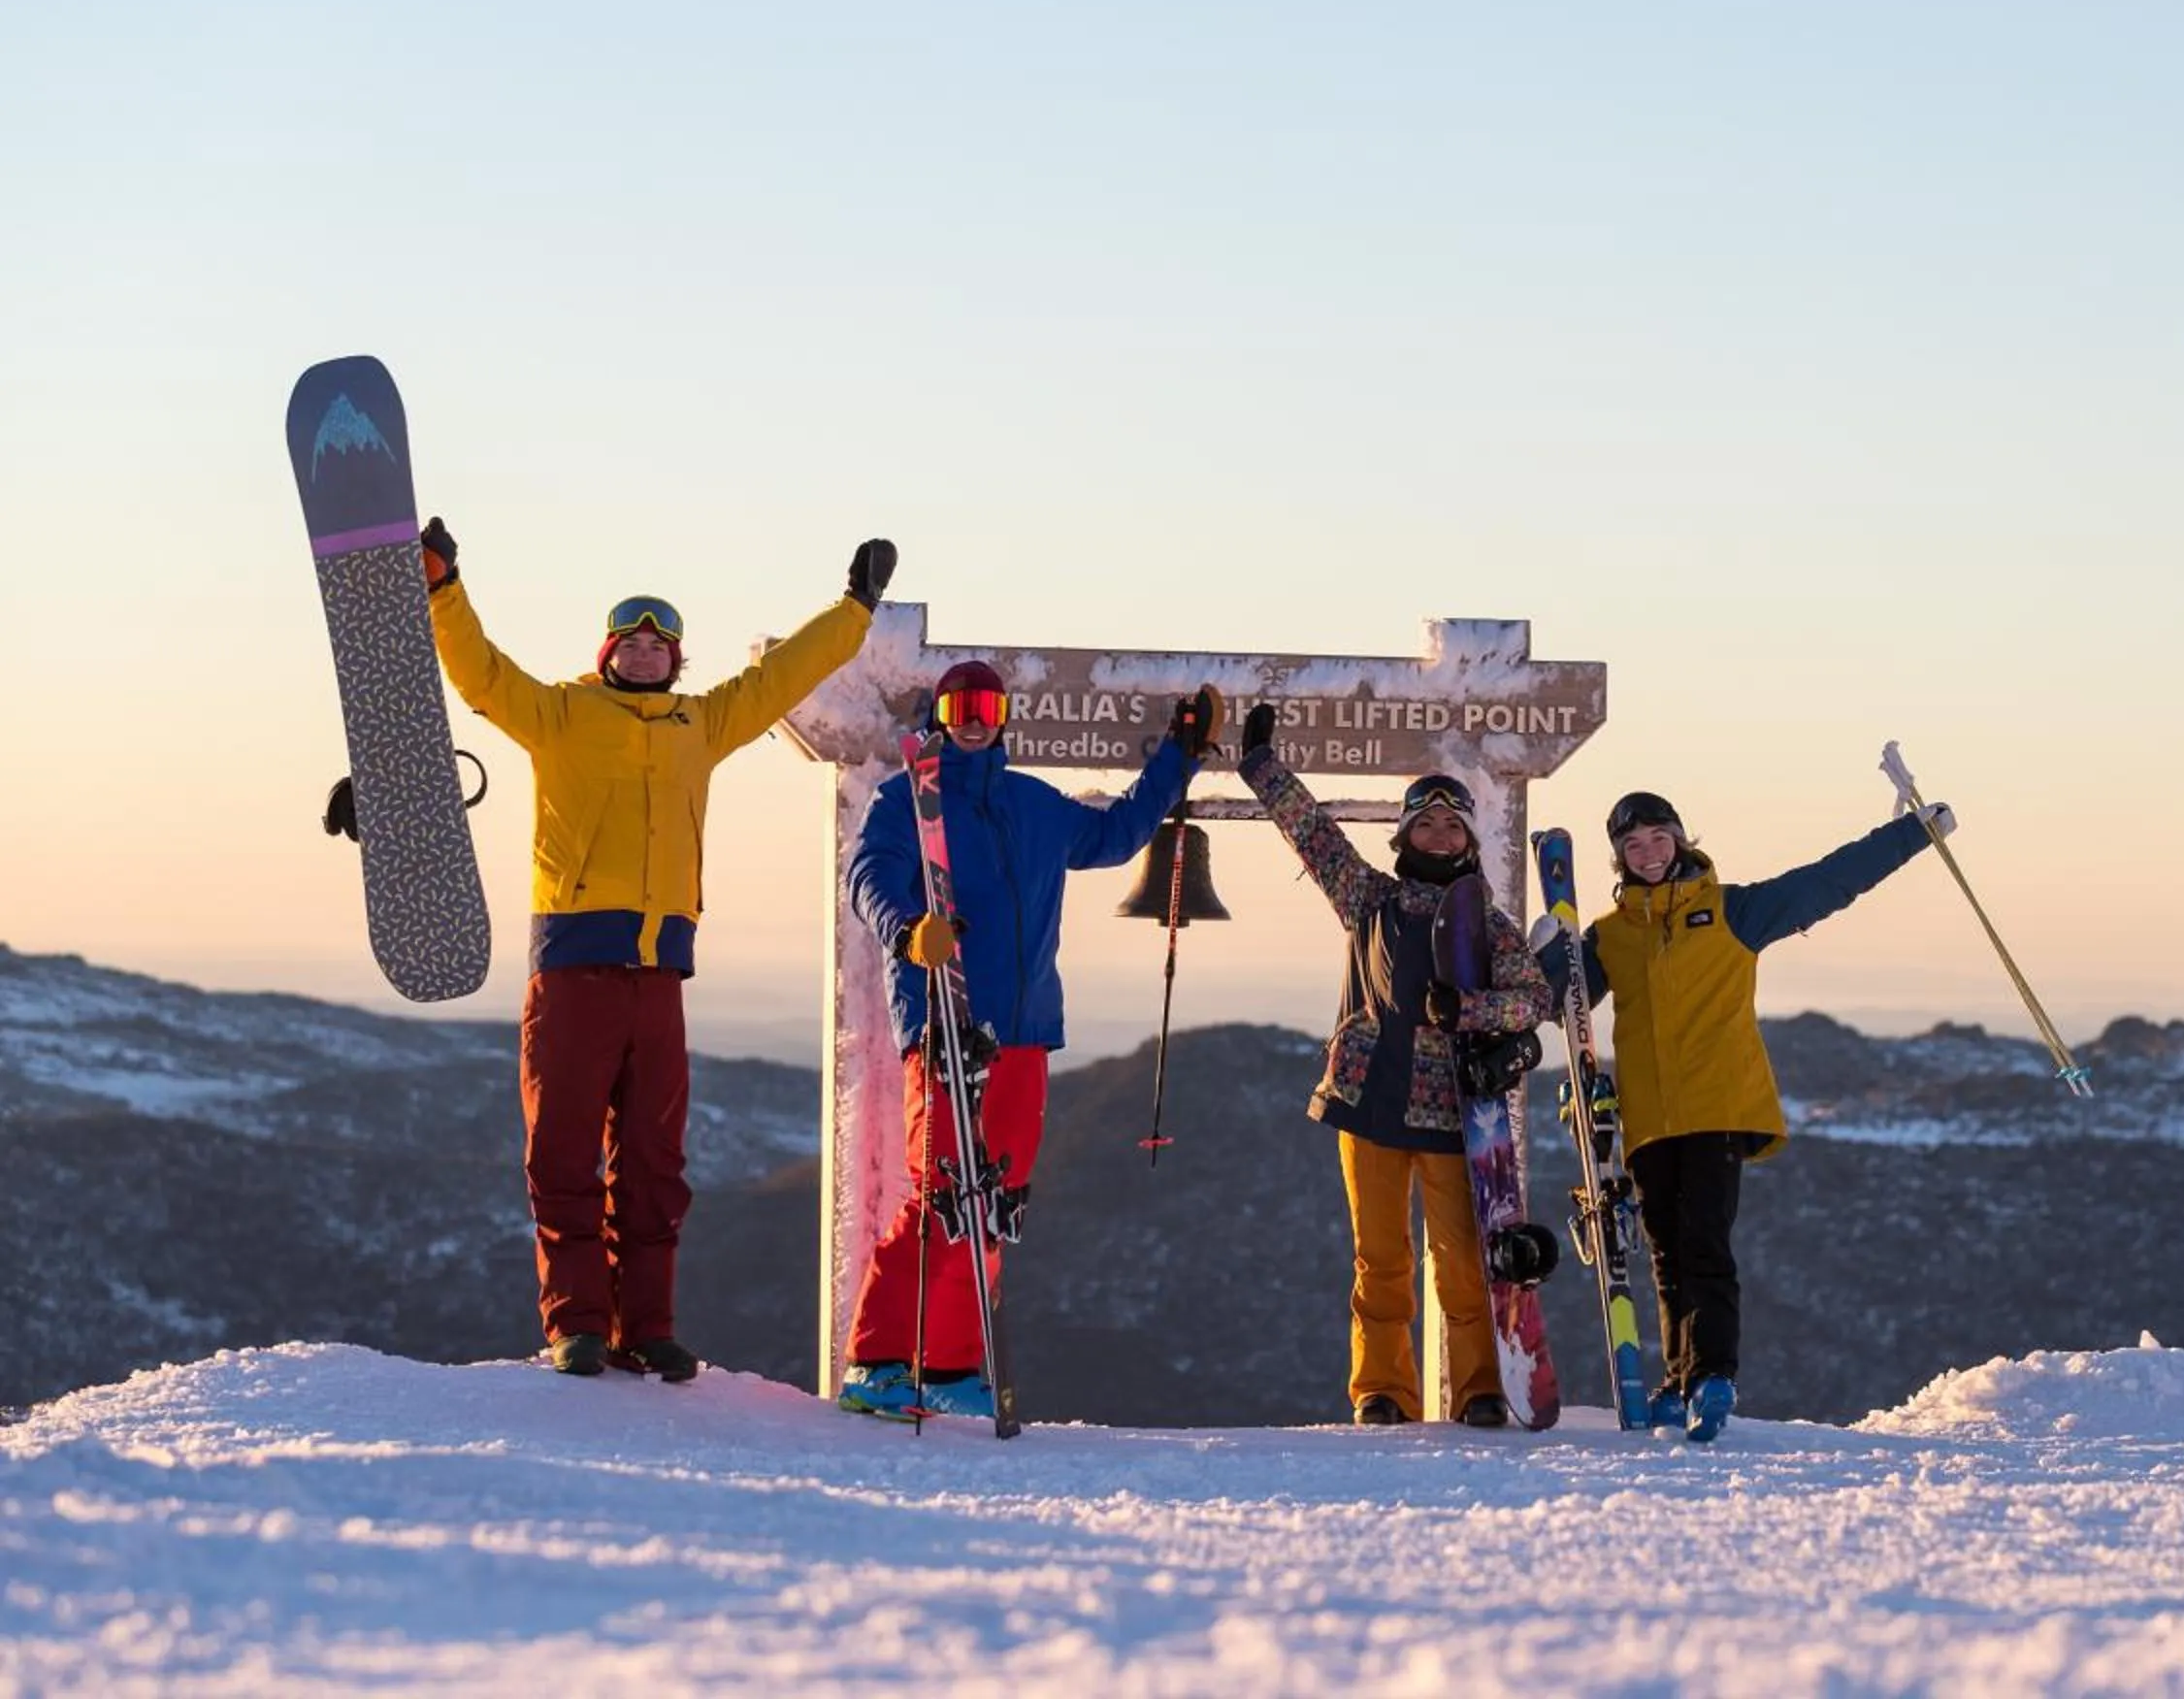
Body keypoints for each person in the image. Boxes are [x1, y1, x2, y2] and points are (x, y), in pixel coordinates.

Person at [423, 517, 896, 1380]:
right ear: (608, 652)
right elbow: (481, 674)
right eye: (631, 642)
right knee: (562, 1153)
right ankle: (577, 1327)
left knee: (653, 1162)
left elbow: (781, 676)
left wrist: (855, 607)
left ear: (676, 661)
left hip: (659, 977)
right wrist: (445, 590)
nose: (646, 654)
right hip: (573, 972)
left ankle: (648, 1326)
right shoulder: (560, 715)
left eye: (661, 645)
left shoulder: (701, 725)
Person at [834, 662, 1223, 1419]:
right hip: (946, 1018)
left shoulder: (1032, 805)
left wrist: (1179, 756)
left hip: (1025, 1029)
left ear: (1004, 715)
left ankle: (950, 1367)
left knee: (994, 1203)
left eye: (985, 705)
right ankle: (877, 1361)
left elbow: (1114, 835)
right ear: (941, 715)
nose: (973, 718)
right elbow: (870, 875)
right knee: (942, 1193)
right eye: (958, 706)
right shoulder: (909, 799)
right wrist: (909, 931)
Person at [1541, 787, 1948, 1443]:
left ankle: (1714, 1376)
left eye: (1657, 838)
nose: (1647, 853)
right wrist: (1537, 956)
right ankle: (1677, 1381)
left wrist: (1910, 835)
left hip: (1717, 1105)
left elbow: (1828, 882)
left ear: (1679, 839)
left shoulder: (1734, 911)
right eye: (1633, 846)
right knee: (1666, 1255)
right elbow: (1547, 997)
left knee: (1705, 1244)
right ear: (1620, 858)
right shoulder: (1612, 937)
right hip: (1647, 1118)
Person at [1236, 704, 1551, 1429]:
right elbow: (1312, 834)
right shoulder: (1368, 897)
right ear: (1404, 834)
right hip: (1370, 1102)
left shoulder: (1488, 923)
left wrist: (1467, 1011)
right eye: (1425, 824)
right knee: (1379, 1263)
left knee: (1462, 1265)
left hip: (1455, 1114)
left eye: (1451, 826)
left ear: (1468, 840)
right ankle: (1382, 1391)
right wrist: (1261, 768)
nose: (1438, 835)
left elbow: (1532, 999)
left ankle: (1477, 1388)